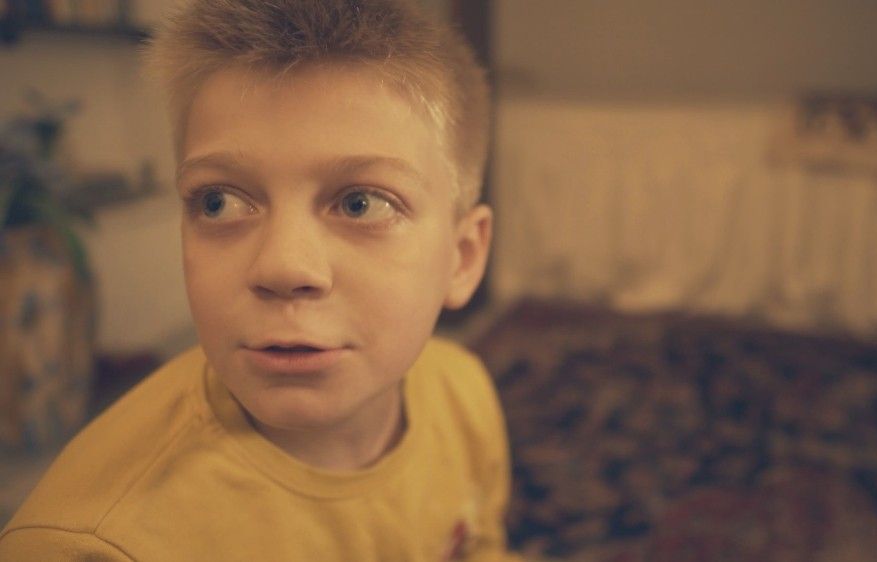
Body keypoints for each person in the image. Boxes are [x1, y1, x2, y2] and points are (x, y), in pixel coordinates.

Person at [0, 0, 519, 559]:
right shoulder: (96, 546)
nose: (283, 266)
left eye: (361, 203)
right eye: (219, 202)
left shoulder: (463, 394)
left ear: (462, 257)